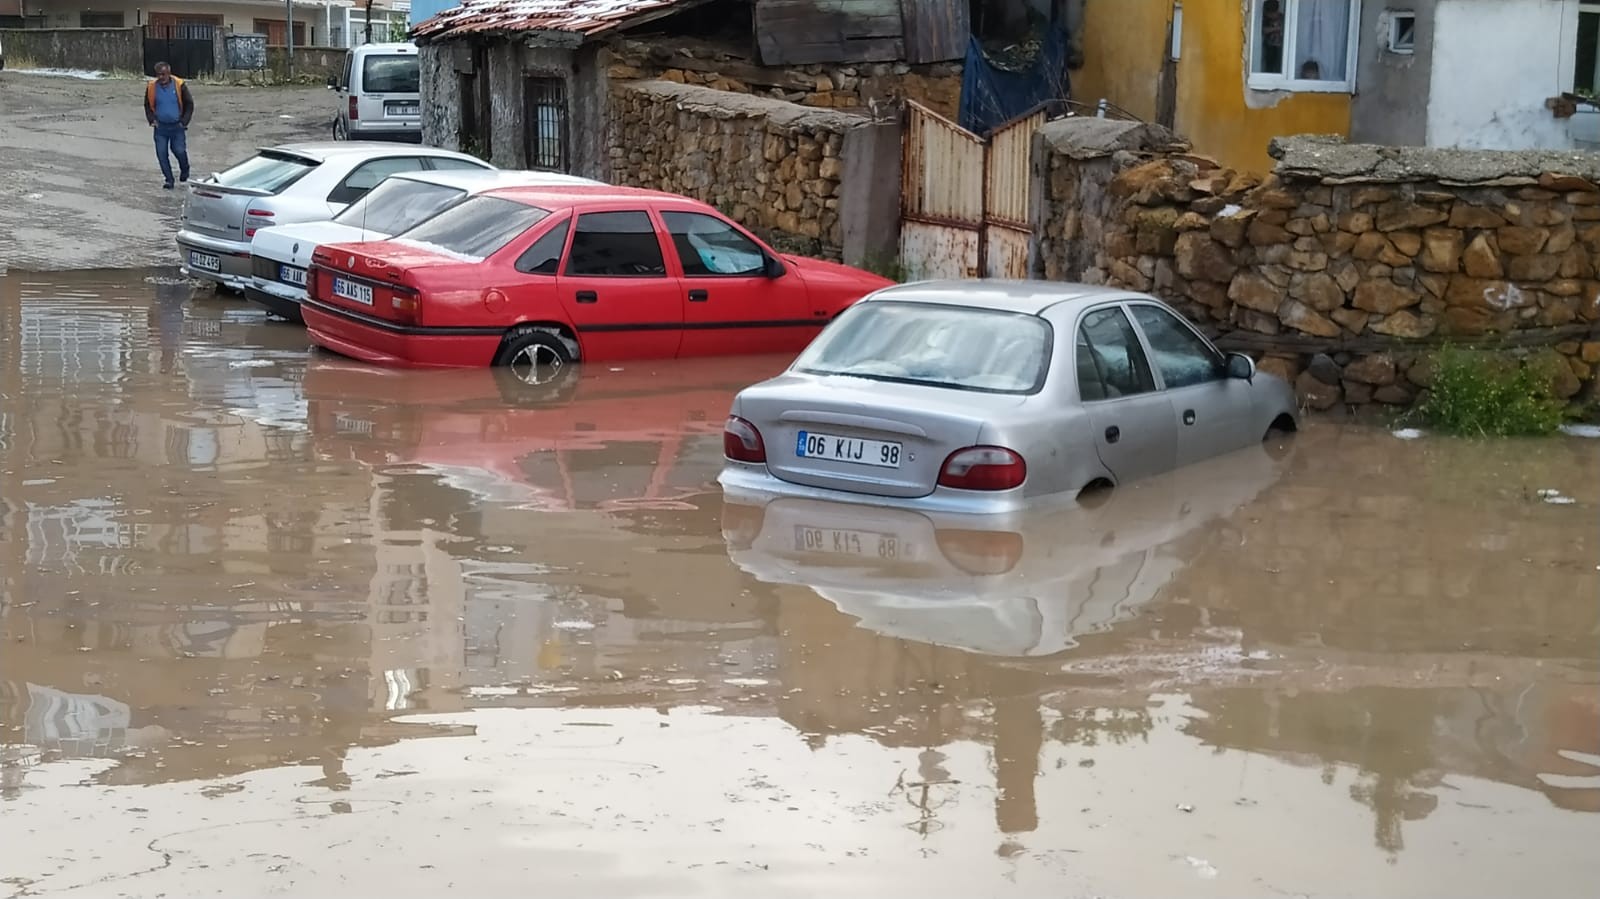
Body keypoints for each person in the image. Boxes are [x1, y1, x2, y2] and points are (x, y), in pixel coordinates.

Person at [143, 62, 195, 190]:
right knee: (161, 154)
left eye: (163, 74)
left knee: (179, 150)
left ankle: (185, 169)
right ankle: (169, 180)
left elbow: (189, 104)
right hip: (160, 127)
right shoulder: (152, 87)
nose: (161, 77)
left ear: (169, 73)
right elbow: (147, 105)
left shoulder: (179, 85)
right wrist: (151, 119)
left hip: (177, 126)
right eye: (158, 74)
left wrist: (184, 122)